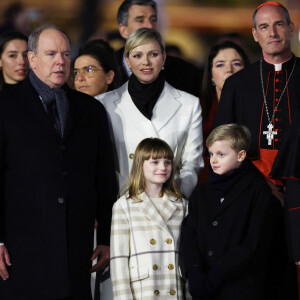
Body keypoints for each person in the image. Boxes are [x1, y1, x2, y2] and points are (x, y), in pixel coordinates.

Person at [0, 25, 117, 300]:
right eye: (51, 54)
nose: (60, 61)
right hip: (22, 248)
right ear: (32, 59)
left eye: (66, 54)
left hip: (76, 246)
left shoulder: (91, 110)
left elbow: (104, 177)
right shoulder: (5, 106)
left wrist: (106, 237)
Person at [98, 28, 203, 198]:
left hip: (171, 209)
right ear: (127, 60)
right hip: (122, 207)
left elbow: (192, 164)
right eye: (137, 55)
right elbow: (102, 165)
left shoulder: (189, 104)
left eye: (153, 54)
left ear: (163, 57)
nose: (145, 62)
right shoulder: (103, 103)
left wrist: (171, 199)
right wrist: (129, 199)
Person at [213, 1, 299, 206]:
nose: (272, 33)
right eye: (264, 27)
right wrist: (261, 185)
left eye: (278, 24)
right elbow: (221, 146)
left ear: (291, 28)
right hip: (250, 189)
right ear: (254, 34)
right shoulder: (236, 84)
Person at [180, 124, 277, 300]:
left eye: (221, 154)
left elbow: (254, 243)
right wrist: (193, 270)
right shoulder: (201, 193)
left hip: (240, 289)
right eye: (211, 154)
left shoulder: (257, 192)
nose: (213, 160)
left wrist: (218, 274)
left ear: (241, 155)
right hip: (204, 289)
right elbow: (189, 234)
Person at [110, 137, 189, 299]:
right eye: (155, 162)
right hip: (144, 290)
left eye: (167, 162)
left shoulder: (182, 205)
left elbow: (189, 254)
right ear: (140, 165)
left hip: (174, 287)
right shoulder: (124, 206)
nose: (163, 167)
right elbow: (119, 260)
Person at [115, 0, 202, 97]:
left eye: (153, 20)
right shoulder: (105, 68)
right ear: (124, 30)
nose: (150, 26)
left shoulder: (185, 73)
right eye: (140, 20)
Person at [199, 41, 249, 182]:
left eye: (237, 64)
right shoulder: (197, 110)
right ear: (211, 75)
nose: (229, 70)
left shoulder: (260, 109)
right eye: (220, 65)